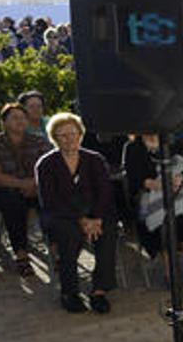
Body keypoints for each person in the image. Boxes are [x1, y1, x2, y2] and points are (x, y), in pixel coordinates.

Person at [36, 113, 120, 314]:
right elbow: (50, 199)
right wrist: (81, 220)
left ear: (80, 134)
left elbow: (104, 191)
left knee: (108, 230)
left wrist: (96, 218)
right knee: (70, 235)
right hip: (61, 214)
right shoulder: (46, 164)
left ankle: (99, 290)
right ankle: (69, 292)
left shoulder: (95, 159)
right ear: (54, 138)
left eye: (73, 133)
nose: (69, 138)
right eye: (62, 135)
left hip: (95, 212)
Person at [0, 104, 53, 278]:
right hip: (9, 189)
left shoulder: (39, 140)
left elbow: (50, 168)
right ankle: (21, 255)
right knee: (12, 203)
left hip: (37, 187)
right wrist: (22, 184)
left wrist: (34, 185)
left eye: (22, 117)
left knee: (51, 199)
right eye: (14, 117)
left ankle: (56, 249)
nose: (20, 121)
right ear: (4, 122)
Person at [123, 134, 183, 288]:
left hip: (179, 194)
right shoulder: (133, 147)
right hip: (149, 197)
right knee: (166, 220)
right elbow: (136, 179)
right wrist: (164, 183)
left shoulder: (174, 141)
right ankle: (169, 271)